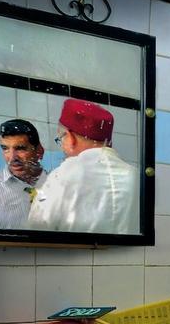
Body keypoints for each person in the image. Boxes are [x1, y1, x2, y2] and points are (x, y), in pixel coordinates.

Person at [27, 98, 138, 235]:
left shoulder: (61, 176)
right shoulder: (136, 176)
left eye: (60, 139)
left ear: (70, 137)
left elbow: (37, 229)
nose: (62, 147)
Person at [0, 119, 48, 229]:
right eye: (5, 148)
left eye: (20, 148)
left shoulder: (61, 184)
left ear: (39, 151)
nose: (12, 158)